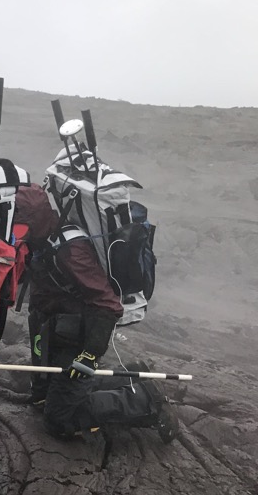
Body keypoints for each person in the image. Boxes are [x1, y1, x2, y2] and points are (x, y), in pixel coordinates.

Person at [13, 183, 179, 444]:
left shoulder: (70, 251)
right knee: (43, 398)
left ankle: (143, 398)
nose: (17, 235)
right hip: (50, 331)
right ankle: (131, 374)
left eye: (21, 228)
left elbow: (108, 304)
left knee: (59, 419)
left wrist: (89, 355)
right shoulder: (41, 238)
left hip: (73, 338)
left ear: (36, 219)